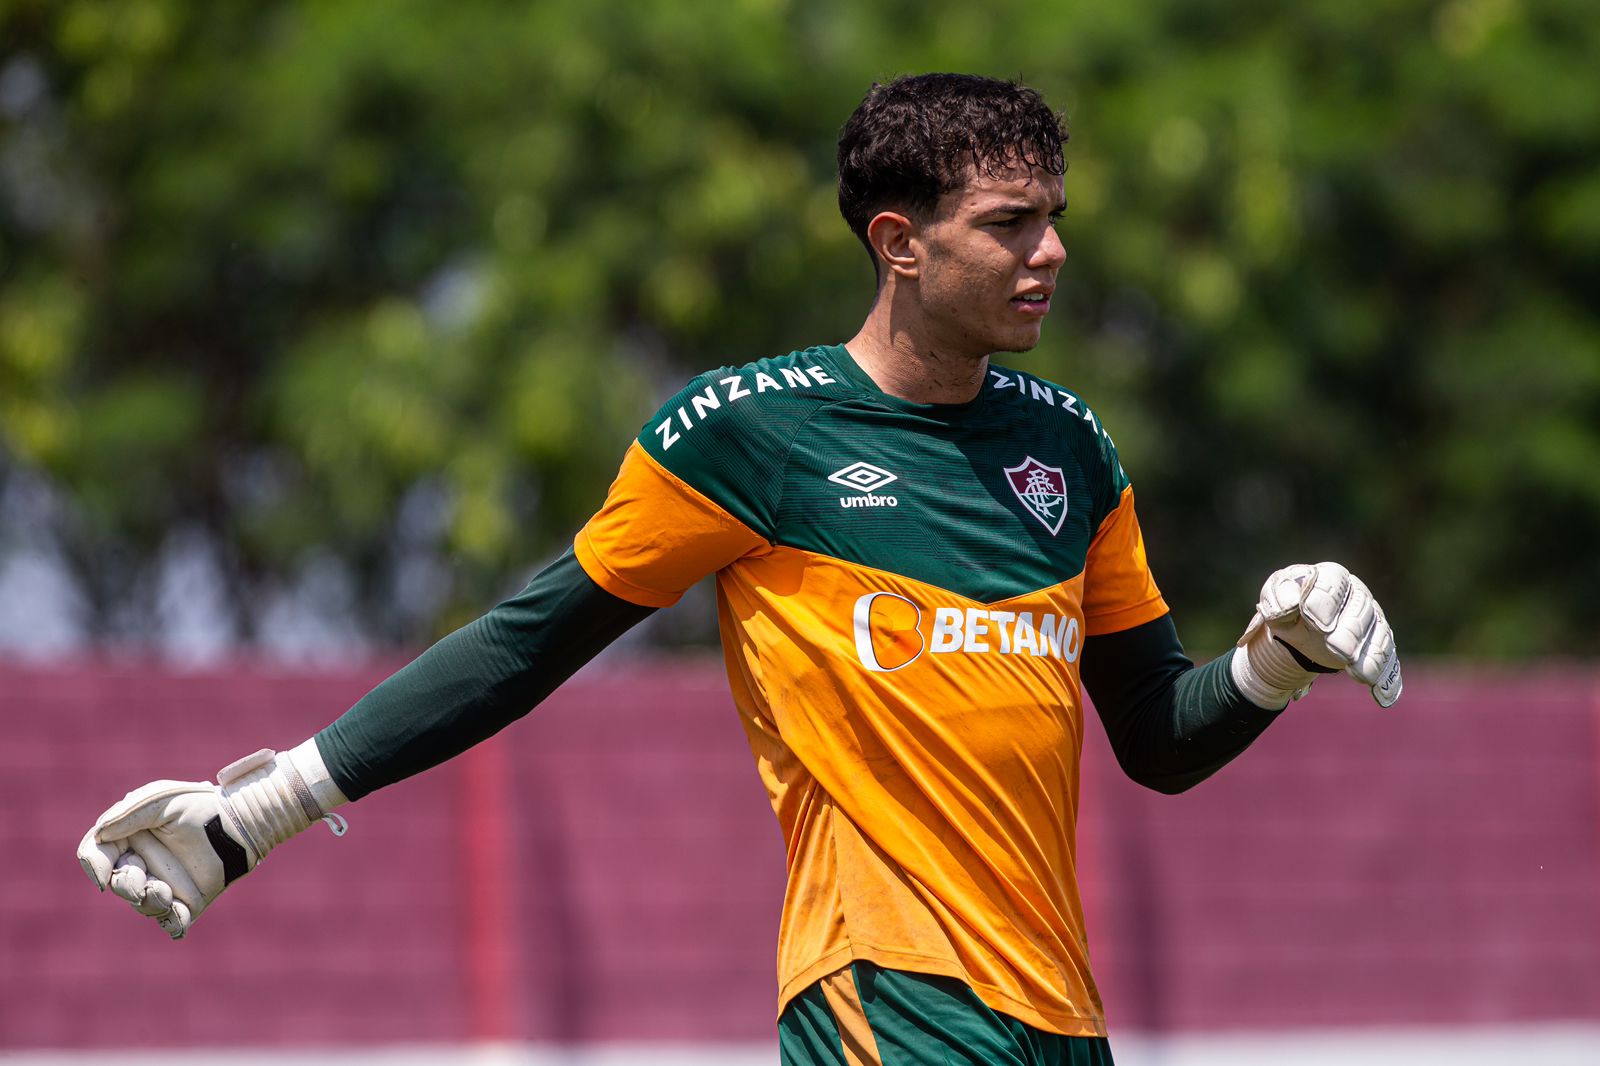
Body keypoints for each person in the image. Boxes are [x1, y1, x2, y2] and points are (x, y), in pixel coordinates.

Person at [78, 74, 1400, 1066]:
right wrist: (261, 811)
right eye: (1010, 224)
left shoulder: (1074, 451)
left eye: (1053, 217)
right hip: (882, 994)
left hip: (1062, 1014)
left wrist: (1273, 661)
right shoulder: (749, 432)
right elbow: (529, 637)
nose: (1050, 252)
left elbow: (1157, 734)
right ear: (901, 244)